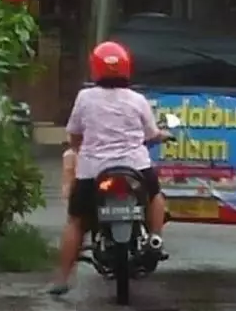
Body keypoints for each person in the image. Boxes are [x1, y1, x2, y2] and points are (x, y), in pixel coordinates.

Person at [50, 40, 172, 295]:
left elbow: (73, 134)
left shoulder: (84, 98)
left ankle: (62, 278)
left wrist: (79, 148)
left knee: (76, 221)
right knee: (155, 195)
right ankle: (156, 238)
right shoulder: (138, 100)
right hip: (135, 167)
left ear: (94, 68)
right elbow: (150, 133)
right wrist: (161, 135)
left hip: (93, 170)